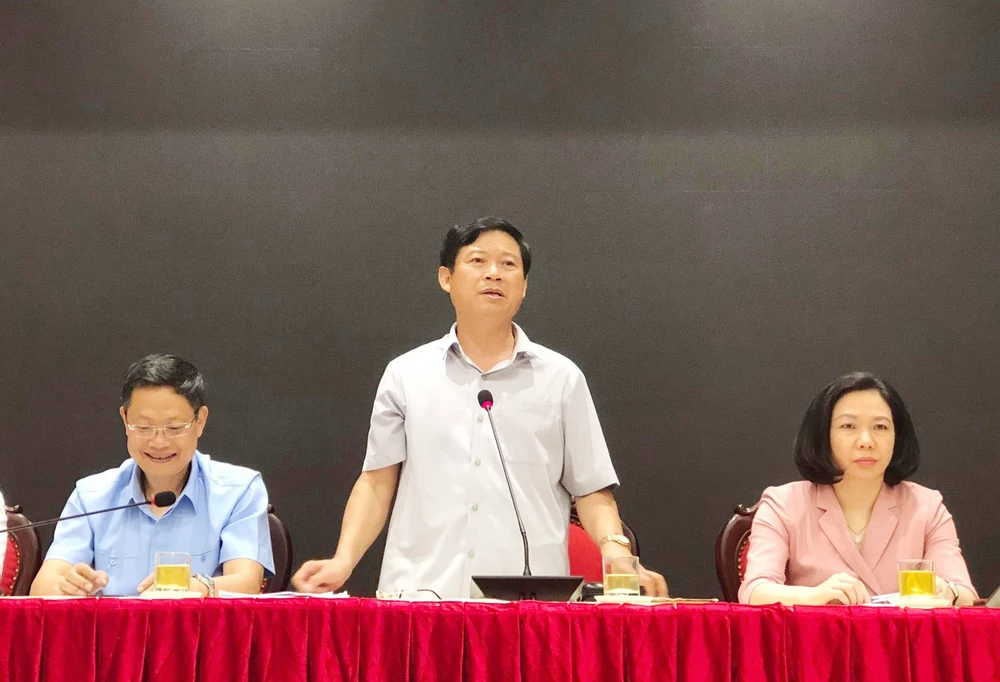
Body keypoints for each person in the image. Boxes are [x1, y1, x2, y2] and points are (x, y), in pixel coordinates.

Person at [293, 217, 667, 599]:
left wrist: (616, 550)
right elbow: (377, 481)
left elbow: (590, 489)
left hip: (526, 604)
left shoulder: (561, 379)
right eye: (477, 261)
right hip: (421, 597)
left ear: (524, 286)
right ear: (446, 278)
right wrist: (343, 561)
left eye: (508, 264)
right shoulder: (406, 374)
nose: (494, 273)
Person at [30, 354, 274, 597]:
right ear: (125, 420)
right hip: (115, 624)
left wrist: (197, 587)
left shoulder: (238, 491)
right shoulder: (92, 496)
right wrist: (68, 587)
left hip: (199, 623)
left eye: (174, 428)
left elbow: (247, 583)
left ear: (200, 421)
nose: (159, 442)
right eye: (144, 428)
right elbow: (43, 587)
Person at [740, 371, 977, 606]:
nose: (866, 441)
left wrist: (948, 591)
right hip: (816, 632)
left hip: (903, 633)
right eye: (848, 426)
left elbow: (966, 594)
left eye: (880, 427)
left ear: (897, 437)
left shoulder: (926, 507)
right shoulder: (783, 504)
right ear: (823, 435)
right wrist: (814, 596)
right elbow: (754, 591)